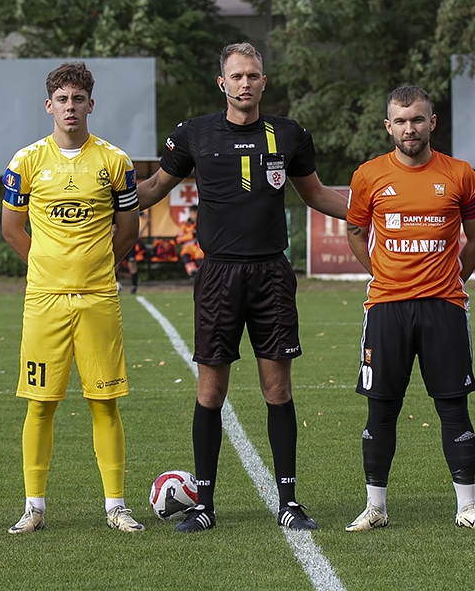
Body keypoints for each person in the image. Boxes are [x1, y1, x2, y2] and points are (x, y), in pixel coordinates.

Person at [137, 42, 347, 533]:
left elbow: (315, 194)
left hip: (271, 274)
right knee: (211, 391)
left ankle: (289, 502)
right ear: (222, 83)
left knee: (277, 388)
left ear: (263, 81)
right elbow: (149, 192)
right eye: (237, 76)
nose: (245, 83)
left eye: (253, 75)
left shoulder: (290, 135)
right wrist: (99, 191)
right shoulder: (194, 133)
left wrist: (370, 212)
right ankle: (204, 505)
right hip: (217, 275)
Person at [344, 86, 475, 531]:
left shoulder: (460, 174)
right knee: (381, 408)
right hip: (386, 309)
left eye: (417, 119)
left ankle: (467, 506)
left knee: (453, 407)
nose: (409, 128)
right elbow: (356, 231)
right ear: (387, 126)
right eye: (400, 120)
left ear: (432, 122)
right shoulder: (368, 176)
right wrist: (382, 273)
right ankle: (375, 508)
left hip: (443, 307)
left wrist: (453, 278)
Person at [1, 62, 143, 534]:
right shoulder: (25, 162)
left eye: (77, 99)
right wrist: (45, 266)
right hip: (44, 301)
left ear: (90, 104)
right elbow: (11, 228)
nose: (70, 107)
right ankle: (34, 507)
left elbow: (127, 230)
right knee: (40, 403)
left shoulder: (115, 162)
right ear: (49, 105)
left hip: (98, 298)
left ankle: (116, 506)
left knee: (105, 403)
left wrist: (98, 264)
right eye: (61, 99)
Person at [175, 205, 203, 281]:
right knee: (185, 256)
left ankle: (201, 276)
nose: (194, 216)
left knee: (200, 259)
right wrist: (191, 235)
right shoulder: (184, 225)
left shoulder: (203, 224)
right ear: (190, 214)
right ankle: (193, 274)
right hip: (188, 247)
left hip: (199, 247)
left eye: (196, 213)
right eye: (192, 213)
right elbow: (178, 239)